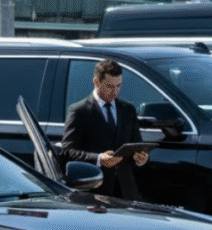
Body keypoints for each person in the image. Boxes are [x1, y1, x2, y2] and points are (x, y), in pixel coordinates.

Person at [61, 59, 148, 199]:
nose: (115, 91)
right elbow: (68, 151)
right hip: (95, 191)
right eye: (110, 86)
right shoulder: (79, 111)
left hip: (126, 192)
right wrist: (99, 159)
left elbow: (135, 145)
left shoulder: (128, 110)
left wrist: (140, 158)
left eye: (119, 86)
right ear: (96, 82)